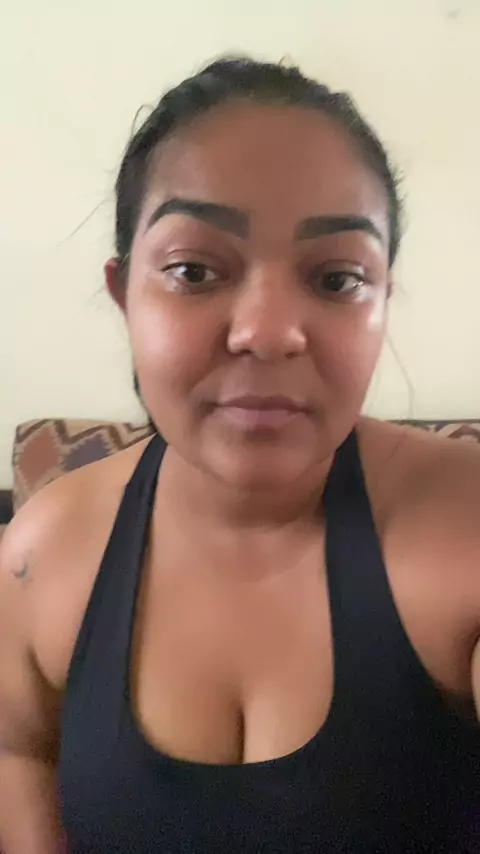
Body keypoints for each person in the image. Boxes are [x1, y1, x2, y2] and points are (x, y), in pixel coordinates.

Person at [0, 57, 478, 854]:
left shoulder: (464, 530)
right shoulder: (42, 556)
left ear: (384, 300)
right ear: (124, 295)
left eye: (337, 279)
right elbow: (19, 748)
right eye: (193, 271)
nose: (268, 331)